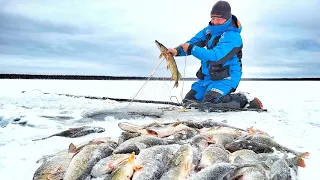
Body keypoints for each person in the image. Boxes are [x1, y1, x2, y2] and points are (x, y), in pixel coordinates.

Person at [166, 0, 263, 110]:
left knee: (210, 104)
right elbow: (192, 43)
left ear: (227, 18)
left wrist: (191, 49)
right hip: (208, 78)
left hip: (227, 78)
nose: (215, 22)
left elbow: (216, 57)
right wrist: (177, 51)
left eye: (219, 19)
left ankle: (244, 99)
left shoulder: (233, 36)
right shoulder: (208, 30)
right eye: (213, 18)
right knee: (188, 102)